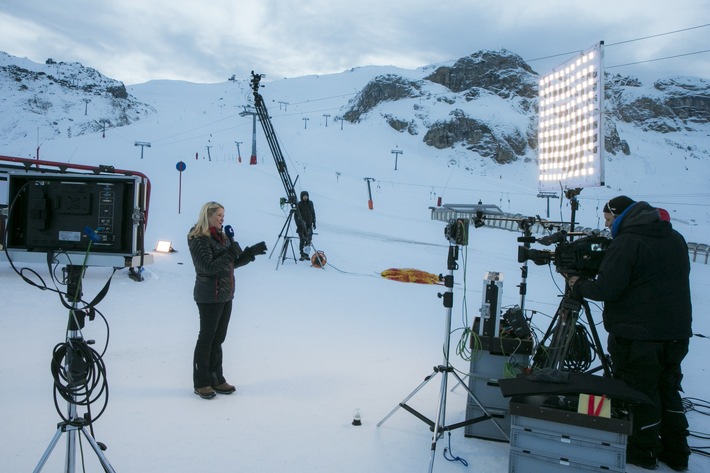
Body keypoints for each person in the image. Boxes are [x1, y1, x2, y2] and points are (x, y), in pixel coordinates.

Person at [568, 195, 692, 471]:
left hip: (638, 336)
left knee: (640, 394)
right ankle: (677, 453)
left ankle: (643, 452)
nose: (608, 226)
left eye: (608, 220)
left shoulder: (627, 242)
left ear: (619, 215)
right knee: (668, 391)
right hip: (677, 334)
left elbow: (606, 289)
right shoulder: (675, 238)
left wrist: (578, 284)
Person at [187, 202, 267, 399]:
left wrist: (248, 253)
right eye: (219, 215)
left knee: (218, 338)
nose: (223, 218)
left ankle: (217, 378)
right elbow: (209, 266)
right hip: (208, 295)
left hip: (225, 294)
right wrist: (232, 251)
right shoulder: (198, 238)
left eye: (224, 215)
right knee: (206, 338)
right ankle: (202, 382)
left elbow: (230, 264)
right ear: (208, 215)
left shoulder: (221, 237)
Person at [296, 190, 316, 261]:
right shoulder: (299, 204)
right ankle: (302, 254)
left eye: (306, 196)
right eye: (304, 196)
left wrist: (314, 222)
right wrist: (299, 224)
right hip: (301, 226)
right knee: (302, 240)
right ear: (301, 197)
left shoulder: (310, 203)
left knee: (308, 240)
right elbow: (296, 216)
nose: (305, 197)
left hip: (309, 225)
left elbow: (313, 213)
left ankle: (307, 254)